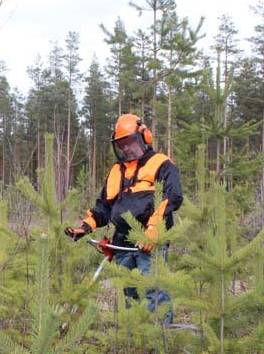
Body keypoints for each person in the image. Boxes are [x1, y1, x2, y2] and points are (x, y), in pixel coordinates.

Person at [65, 113, 183, 323]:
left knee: (153, 290)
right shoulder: (116, 171)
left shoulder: (161, 164)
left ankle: (160, 337)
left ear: (143, 137)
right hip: (122, 245)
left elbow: (172, 198)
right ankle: (134, 340)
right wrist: (85, 227)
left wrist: (152, 232)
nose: (126, 148)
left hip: (151, 243)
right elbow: (104, 207)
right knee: (130, 295)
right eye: (121, 144)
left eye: (129, 142)